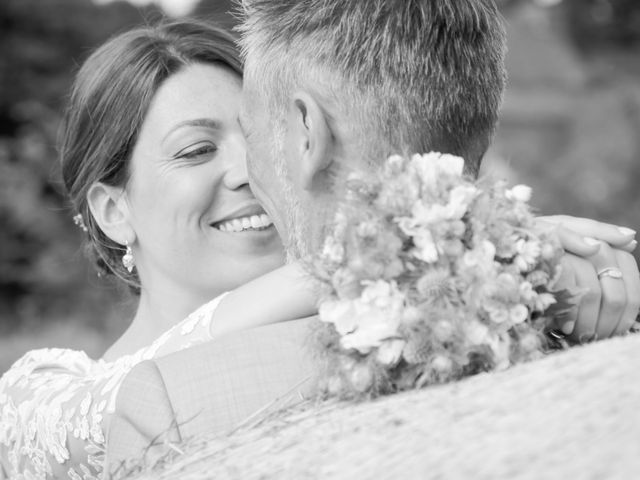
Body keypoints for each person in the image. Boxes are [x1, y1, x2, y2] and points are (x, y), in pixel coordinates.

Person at [105, 0, 640, 471]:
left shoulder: (174, 405)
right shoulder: (591, 295)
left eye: (249, 133)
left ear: (307, 132)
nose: (246, 172)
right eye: (197, 150)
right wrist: (512, 247)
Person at [0, 19, 318, 480]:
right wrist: (337, 270)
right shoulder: (36, 397)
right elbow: (136, 408)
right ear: (113, 211)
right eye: (196, 150)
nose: (247, 170)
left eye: (260, 139)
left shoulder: (355, 330)